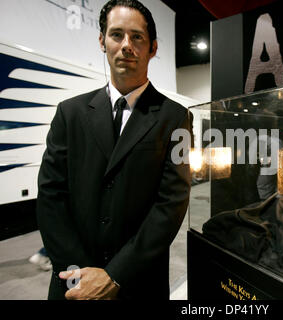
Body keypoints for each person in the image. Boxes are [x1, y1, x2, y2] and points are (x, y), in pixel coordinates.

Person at [36, 0, 192, 300]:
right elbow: (50, 196)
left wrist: (115, 275)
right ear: (102, 41)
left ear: (153, 48)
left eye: (137, 37)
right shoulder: (69, 113)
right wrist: (78, 274)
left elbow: (171, 203)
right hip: (73, 282)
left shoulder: (176, 117)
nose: (126, 45)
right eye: (116, 35)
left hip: (136, 281)